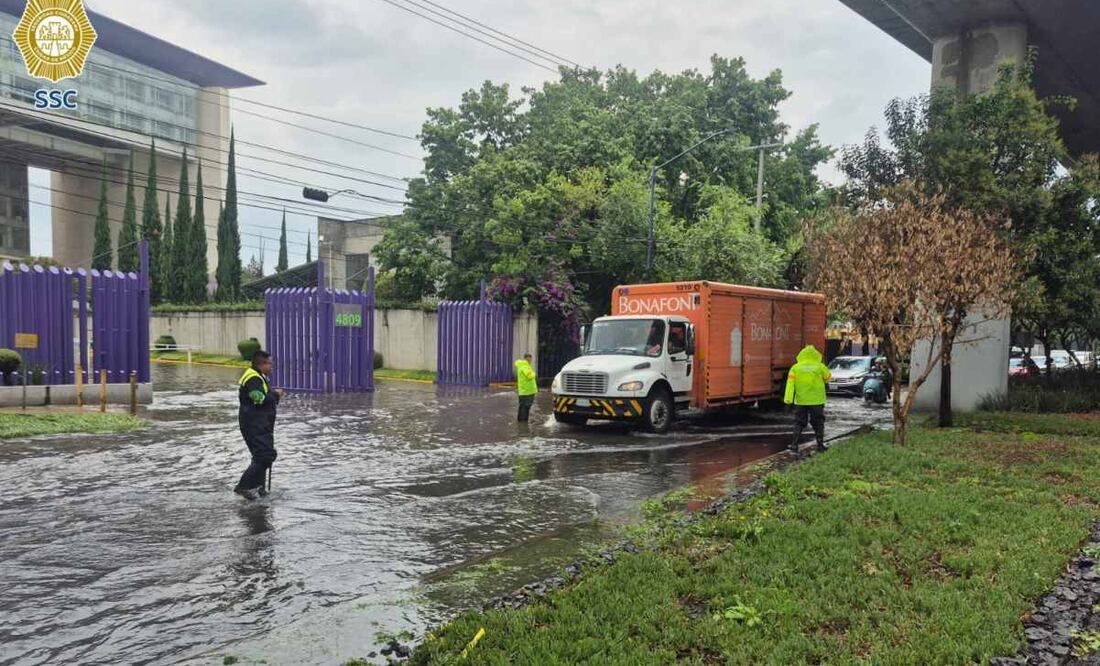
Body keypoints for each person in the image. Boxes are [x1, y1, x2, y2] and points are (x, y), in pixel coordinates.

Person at [235, 350, 283, 500]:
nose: (272, 366)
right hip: (254, 424)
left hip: (261, 424)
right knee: (264, 456)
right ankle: (243, 487)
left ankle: (259, 489)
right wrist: (276, 394)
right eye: (270, 364)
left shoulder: (258, 376)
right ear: (262, 364)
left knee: (262, 456)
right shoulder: (253, 378)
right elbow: (259, 398)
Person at [784, 345, 831, 458]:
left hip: (801, 400)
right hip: (817, 400)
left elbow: (790, 385)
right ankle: (820, 445)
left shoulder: (795, 368)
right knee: (818, 422)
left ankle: (794, 445)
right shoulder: (820, 366)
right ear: (816, 355)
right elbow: (828, 378)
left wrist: (788, 400)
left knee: (799, 422)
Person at [514, 353, 537, 423]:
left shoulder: (524, 366)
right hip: (527, 391)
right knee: (525, 407)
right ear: (526, 359)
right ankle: (523, 422)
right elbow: (529, 376)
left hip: (525, 391)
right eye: (529, 359)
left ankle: (521, 421)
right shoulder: (525, 366)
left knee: (523, 407)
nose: (530, 361)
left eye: (530, 359)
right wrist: (534, 373)